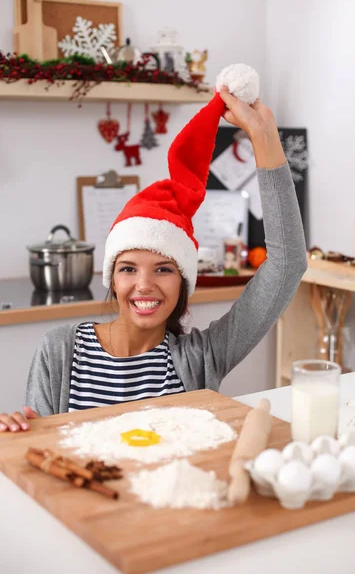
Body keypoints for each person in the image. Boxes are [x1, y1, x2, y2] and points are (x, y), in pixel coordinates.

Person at [0, 68, 307, 433]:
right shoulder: (62, 351)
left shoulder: (200, 357)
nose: (144, 284)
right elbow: (40, 450)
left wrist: (263, 133)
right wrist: (17, 430)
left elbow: (288, 264)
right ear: (112, 279)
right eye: (128, 268)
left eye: (163, 269)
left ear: (183, 282)